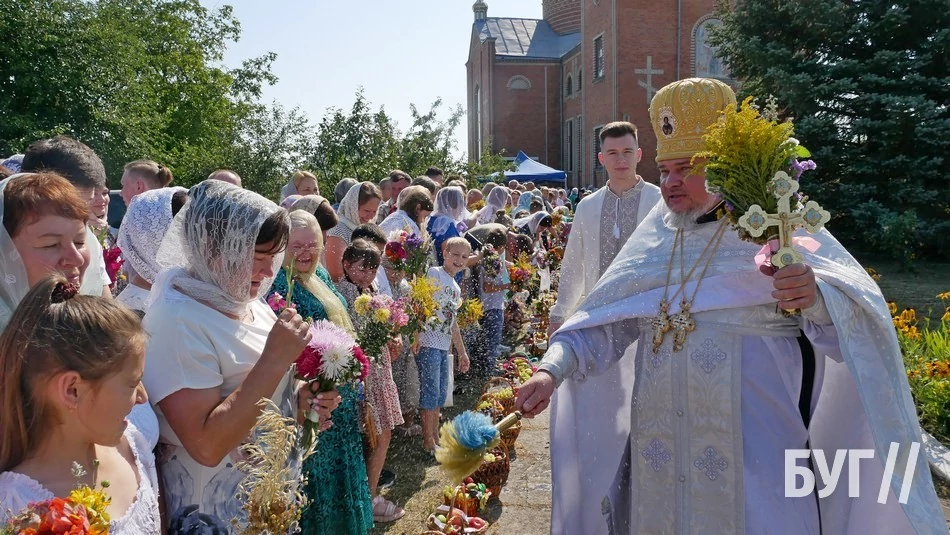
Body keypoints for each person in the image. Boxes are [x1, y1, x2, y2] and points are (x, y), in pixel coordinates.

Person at [516, 78, 945, 534]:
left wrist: (815, 297)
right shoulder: (656, 239)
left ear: (724, 167)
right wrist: (552, 369)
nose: (670, 182)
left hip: (758, 454)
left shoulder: (773, 231)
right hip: (660, 456)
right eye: (664, 170)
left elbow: (859, 323)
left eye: (686, 168)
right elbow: (604, 323)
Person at [142, 180, 339, 532]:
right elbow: (206, 445)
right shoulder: (175, 320)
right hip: (217, 514)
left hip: (267, 502)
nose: (267, 273)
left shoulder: (247, 304)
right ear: (211, 248)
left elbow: (264, 395)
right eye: (257, 257)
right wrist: (275, 359)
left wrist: (299, 398)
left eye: (272, 258)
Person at [540, 120, 662, 532]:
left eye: (628, 151)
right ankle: (601, 504)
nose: (621, 160)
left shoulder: (660, 203)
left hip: (650, 327)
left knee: (647, 416)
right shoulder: (588, 206)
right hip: (600, 326)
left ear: (639, 154)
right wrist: (561, 316)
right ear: (601, 159)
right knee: (604, 420)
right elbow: (573, 265)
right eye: (613, 153)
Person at [0, 276, 161, 533]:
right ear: (72, 390)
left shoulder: (132, 447)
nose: (142, 398)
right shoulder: (16, 505)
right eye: (132, 385)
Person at [267, 210, 374, 535]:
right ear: (281, 246)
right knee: (316, 480)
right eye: (296, 244)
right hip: (307, 401)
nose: (306, 252)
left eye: (313, 244)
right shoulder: (276, 286)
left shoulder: (320, 277)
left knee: (342, 473)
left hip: (336, 399)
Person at [336, 239, 406, 523]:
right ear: (346, 265)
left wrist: (394, 335)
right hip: (364, 374)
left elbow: (388, 325)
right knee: (375, 433)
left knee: (382, 432)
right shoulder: (343, 292)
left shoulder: (374, 290)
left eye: (372, 269)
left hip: (380, 370)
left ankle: (369, 492)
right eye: (361, 268)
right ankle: (368, 496)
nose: (367, 275)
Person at [21, 136, 113, 298]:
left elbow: (106, 305)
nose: (77, 216)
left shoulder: (87, 242)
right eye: (65, 206)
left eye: (85, 203)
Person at [416, 237, 472, 453]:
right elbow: (421, 304)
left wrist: (461, 351)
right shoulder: (435, 274)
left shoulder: (456, 287)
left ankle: (436, 437)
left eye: (464, 257)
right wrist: (416, 334)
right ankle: (428, 440)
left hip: (442, 344)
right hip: (429, 341)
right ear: (445, 253)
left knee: (439, 393)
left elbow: (452, 322)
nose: (459, 260)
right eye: (455, 254)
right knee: (430, 393)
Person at [326, 181, 382, 282]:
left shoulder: (365, 229)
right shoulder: (338, 230)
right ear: (353, 207)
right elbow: (336, 273)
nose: (371, 216)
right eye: (366, 211)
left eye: (374, 211)